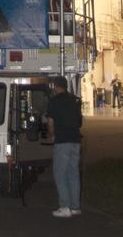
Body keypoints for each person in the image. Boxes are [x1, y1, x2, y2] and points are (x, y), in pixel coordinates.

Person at [47, 74, 82, 218]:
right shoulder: (75, 100)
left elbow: (50, 122)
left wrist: (52, 135)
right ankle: (75, 207)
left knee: (60, 174)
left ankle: (65, 206)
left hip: (62, 141)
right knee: (73, 174)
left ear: (55, 87)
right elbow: (79, 121)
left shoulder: (54, 101)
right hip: (76, 140)